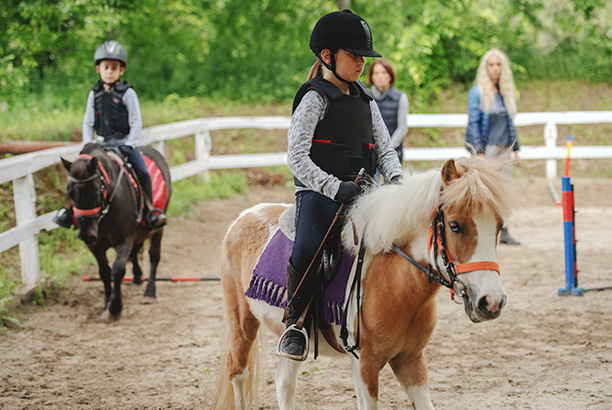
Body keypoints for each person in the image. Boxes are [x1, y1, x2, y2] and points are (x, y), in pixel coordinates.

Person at [279, 9, 404, 361]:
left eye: (364, 57)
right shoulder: (314, 98)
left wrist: (396, 183)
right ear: (328, 56)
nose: (362, 63)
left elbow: (385, 150)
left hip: (364, 192)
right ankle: (295, 323)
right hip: (319, 193)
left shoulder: (366, 100)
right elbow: (297, 158)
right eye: (355, 56)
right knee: (308, 248)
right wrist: (334, 187)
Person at [53, 40, 166, 229]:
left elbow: (136, 122)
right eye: (106, 67)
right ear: (99, 69)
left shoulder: (128, 93)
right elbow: (88, 122)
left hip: (123, 144)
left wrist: (129, 144)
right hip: (99, 146)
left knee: (143, 173)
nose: (110, 71)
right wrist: (88, 143)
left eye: (114, 68)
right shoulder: (94, 93)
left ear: (121, 70)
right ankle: (68, 210)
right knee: (77, 173)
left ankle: (150, 210)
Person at [465, 48, 520, 245]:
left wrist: (516, 148)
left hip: (505, 149)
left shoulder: (505, 92)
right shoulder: (477, 92)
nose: (495, 69)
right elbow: (473, 123)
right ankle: (484, 229)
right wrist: (478, 151)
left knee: (505, 190)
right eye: (491, 64)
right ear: (485, 67)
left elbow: (510, 122)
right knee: (486, 191)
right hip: (488, 150)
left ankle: (504, 228)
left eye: (498, 64)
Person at [367, 59, 409, 177]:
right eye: (376, 73)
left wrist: (387, 148)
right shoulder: (365, 97)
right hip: (370, 153)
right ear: (371, 77)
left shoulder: (400, 97)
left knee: (393, 188)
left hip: (394, 151)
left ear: (390, 76)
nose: (380, 76)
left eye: (384, 72)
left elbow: (402, 128)